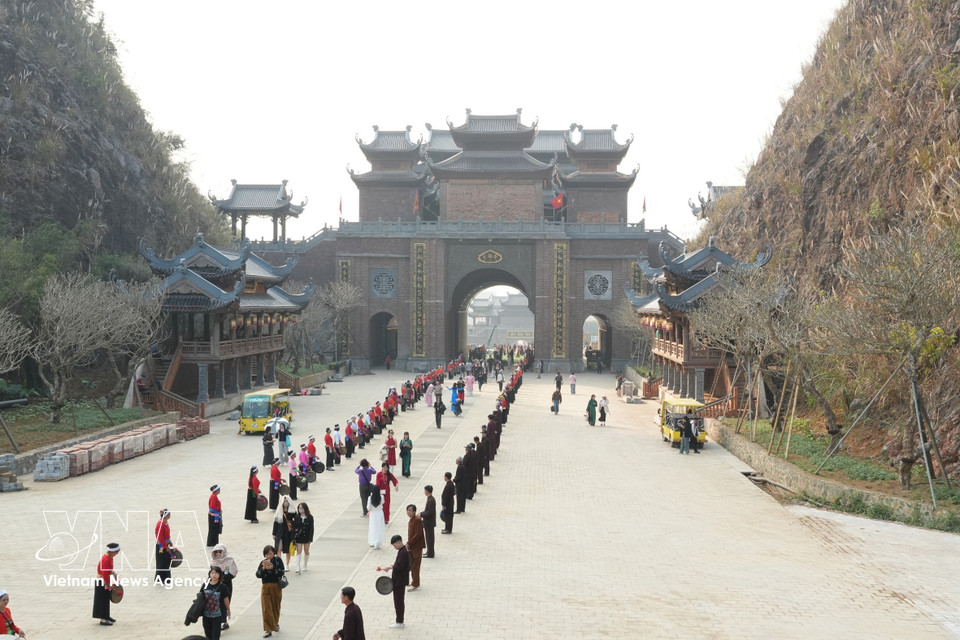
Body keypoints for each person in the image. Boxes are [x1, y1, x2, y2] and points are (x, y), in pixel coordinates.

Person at [256, 545, 284, 638]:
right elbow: (258, 574)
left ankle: (275, 623)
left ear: (274, 553)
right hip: (265, 586)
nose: (268, 556)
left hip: (276, 586)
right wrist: (263, 569)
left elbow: (281, 572)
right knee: (266, 608)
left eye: (270, 554)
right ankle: (268, 629)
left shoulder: (278, 561)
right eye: (267, 554)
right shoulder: (262, 562)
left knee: (275, 606)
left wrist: (273, 569)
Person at [382, 535, 409, 629]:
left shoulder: (403, 553)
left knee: (399, 602)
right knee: (398, 601)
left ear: (399, 542)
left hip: (400, 581)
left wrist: (390, 567)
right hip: (399, 580)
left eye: (394, 545)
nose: (394, 547)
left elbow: (400, 567)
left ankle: (400, 622)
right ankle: (399, 620)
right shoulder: (402, 551)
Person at [209, 544, 238, 631]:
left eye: (220, 551)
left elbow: (230, 574)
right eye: (216, 552)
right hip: (215, 586)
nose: (218, 554)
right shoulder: (213, 563)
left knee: (225, 603)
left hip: (226, 586)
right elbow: (210, 574)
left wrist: (221, 577)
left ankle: (225, 622)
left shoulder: (229, 561)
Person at [93, 542, 120, 626]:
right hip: (102, 581)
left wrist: (113, 573)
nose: (117, 553)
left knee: (106, 599)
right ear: (113, 552)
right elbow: (105, 574)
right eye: (117, 552)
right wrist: (108, 584)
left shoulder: (109, 557)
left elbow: (108, 569)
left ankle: (106, 616)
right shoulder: (107, 559)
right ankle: (103, 620)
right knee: (102, 600)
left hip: (105, 580)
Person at [201, 566, 231, 640]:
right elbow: (200, 598)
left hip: (217, 616)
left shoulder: (223, 586)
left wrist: (228, 610)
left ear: (220, 575)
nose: (214, 575)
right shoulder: (205, 585)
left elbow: (226, 599)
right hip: (206, 615)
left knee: (215, 637)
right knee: (208, 636)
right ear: (209, 574)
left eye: (216, 573)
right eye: (212, 573)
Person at [405, 505, 425, 590]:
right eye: (407, 510)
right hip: (413, 546)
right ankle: (415, 581)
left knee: (415, 566)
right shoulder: (412, 520)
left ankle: (415, 584)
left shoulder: (417, 520)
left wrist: (409, 542)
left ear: (414, 511)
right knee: (413, 565)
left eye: (410, 511)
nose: (408, 512)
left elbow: (417, 534)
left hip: (417, 547)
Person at [271, 499, 294, 568]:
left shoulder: (292, 511)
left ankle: (287, 564)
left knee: (288, 549)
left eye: (287, 501)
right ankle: (279, 564)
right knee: (279, 548)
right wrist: (274, 533)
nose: (285, 503)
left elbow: (295, 522)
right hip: (280, 532)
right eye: (284, 501)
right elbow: (275, 523)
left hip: (288, 533)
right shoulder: (279, 511)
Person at [154, 509, 175, 587]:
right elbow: (160, 537)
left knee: (167, 562)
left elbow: (166, 535)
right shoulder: (160, 524)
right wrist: (166, 547)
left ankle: (166, 578)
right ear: (167, 516)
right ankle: (160, 579)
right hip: (161, 547)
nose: (170, 515)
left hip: (166, 545)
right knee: (161, 563)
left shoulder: (166, 522)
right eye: (169, 514)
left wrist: (169, 541)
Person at [293, 502, 314, 574]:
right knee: (299, 550)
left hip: (307, 536)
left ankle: (305, 564)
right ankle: (298, 566)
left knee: (306, 551)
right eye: (299, 508)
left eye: (301, 508)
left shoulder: (310, 517)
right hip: (299, 536)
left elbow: (311, 528)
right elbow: (294, 526)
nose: (300, 509)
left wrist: (310, 539)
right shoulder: (297, 517)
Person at [420, 486, 436, 558]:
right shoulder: (430, 499)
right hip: (428, 523)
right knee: (428, 538)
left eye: (425, 490)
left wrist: (421, 514)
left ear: (427, 491)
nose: (424, 492)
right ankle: (429, 551)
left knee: (429, 538)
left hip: (429, 523)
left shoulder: (431, 500)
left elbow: (430, 512)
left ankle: (430, 553)